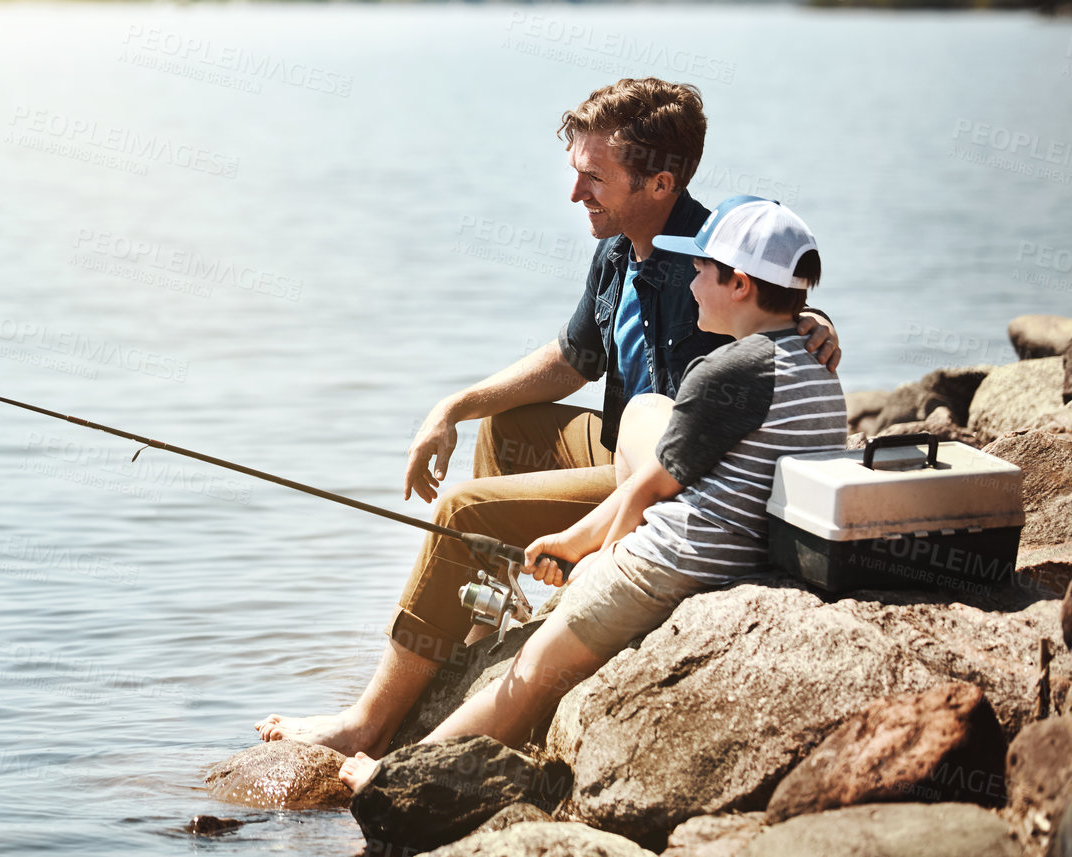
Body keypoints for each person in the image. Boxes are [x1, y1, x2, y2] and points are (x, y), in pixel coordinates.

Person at [256, 79, 840, 757]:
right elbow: (574, 357)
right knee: (507, 426)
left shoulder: (712, 267)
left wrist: (815, 323)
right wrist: (453, 407)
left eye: (594, 177)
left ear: (659, 183)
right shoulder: (620, 246)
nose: (575, 194)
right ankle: (480, 632)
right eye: (576, 173)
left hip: (671, 484)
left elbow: (771, 321)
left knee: (465, 510)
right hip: (625, 443)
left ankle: (370, 723)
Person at [338, 196, 848, 788]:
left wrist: (591, 548)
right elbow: (580, 365)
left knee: (531, 673)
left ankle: (400, 774)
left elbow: (649, 490)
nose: (692, 279)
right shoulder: (817, 368)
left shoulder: (724, 369)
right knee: (633, 411)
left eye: (703, 270)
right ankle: (477, 635)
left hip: (673, 559)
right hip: (739, 544)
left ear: (737, 283)